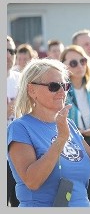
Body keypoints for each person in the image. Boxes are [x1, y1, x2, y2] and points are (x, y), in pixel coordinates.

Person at [7, 59, 90, 207]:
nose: (62, 92)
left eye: (65, 86)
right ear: (32, 90)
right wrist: (61, 139)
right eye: (54, 86)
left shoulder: (69, 125)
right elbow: (32, 181)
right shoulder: (20, 128)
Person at [60, 45, 90, 207]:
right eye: (73, 63)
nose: (79, 66)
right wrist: (79, 131)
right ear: (63, 66)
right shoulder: (60, 90)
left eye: (82, 61)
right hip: (70, 146)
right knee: (71, 195)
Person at [6, 36, 21, 207]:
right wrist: (11, 106)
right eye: (5, 51)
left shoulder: (21, 79)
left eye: (12, 51)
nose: (9, 55)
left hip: (20, 154)